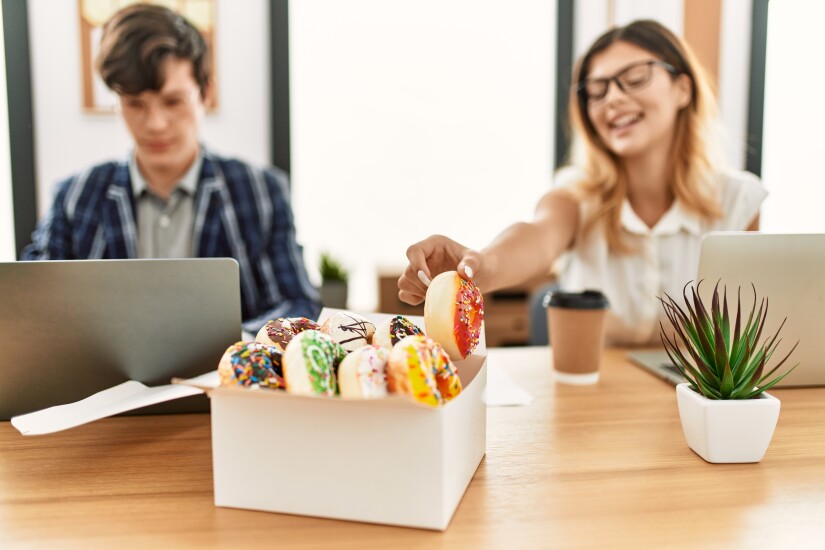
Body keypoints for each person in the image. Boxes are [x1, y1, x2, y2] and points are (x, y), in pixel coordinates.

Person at [398, 20, 767, 346]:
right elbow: (538, 236)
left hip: (695, 402)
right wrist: (480, 265)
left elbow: (752, 326)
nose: (614, 99)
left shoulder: (738, 201)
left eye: (635, 77)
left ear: (683, 89)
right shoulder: (575, 195)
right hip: (590, 398)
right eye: (597, 90)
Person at [22, 4, 320, 334]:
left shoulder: (261, 191)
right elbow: (31, 308)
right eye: (135, 104)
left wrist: (242, 342)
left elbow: (298, 303)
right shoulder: (75, 196)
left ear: (206, 92)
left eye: (173, 101)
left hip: (223, 380)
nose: (155, 124)